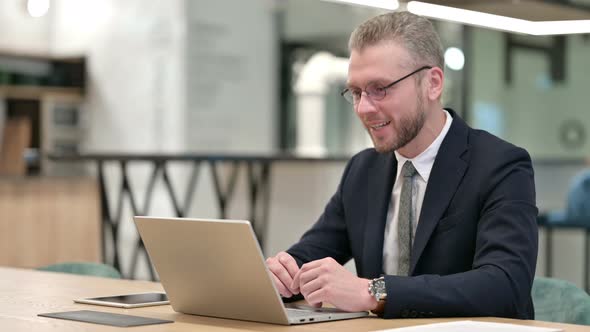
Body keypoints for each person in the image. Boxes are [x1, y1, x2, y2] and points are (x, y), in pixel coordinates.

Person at [266, 11, 538, 319]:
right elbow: (312, 253)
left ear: (432, 84)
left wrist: (373, 292)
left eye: (380, 89)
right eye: (356, 92)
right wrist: (283, 273)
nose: (364, 108)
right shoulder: (364, 169)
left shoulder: (500, 165)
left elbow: (504, 285)